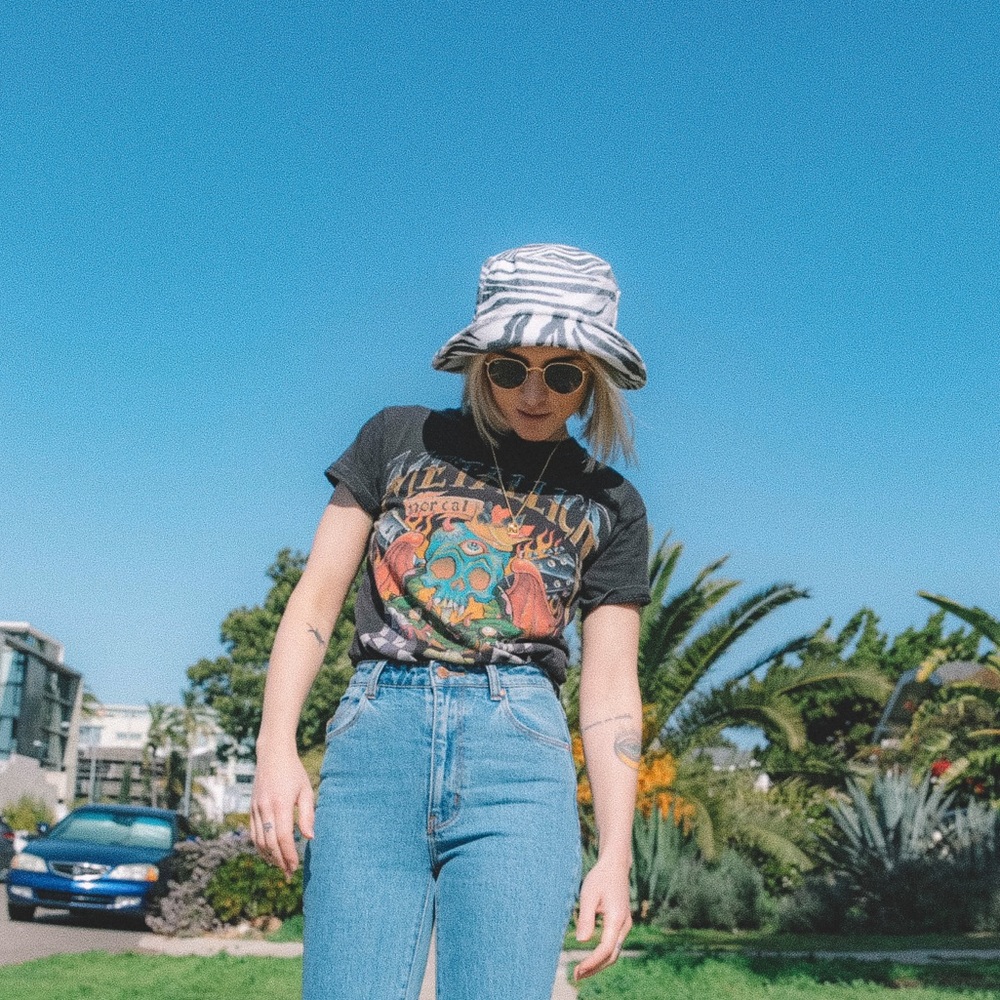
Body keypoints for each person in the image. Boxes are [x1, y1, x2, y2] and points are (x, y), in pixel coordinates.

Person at [251, 243, 651, 1000]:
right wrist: (275, 745)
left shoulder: (613, 504)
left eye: (561, 373)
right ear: (480, 363)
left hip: (520, 761)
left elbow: (610, 687)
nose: (533, 393)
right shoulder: (398, 438)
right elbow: (315, 597)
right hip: (376, 745)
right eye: (509, 368)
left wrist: (616, 853)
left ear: (591, 380)